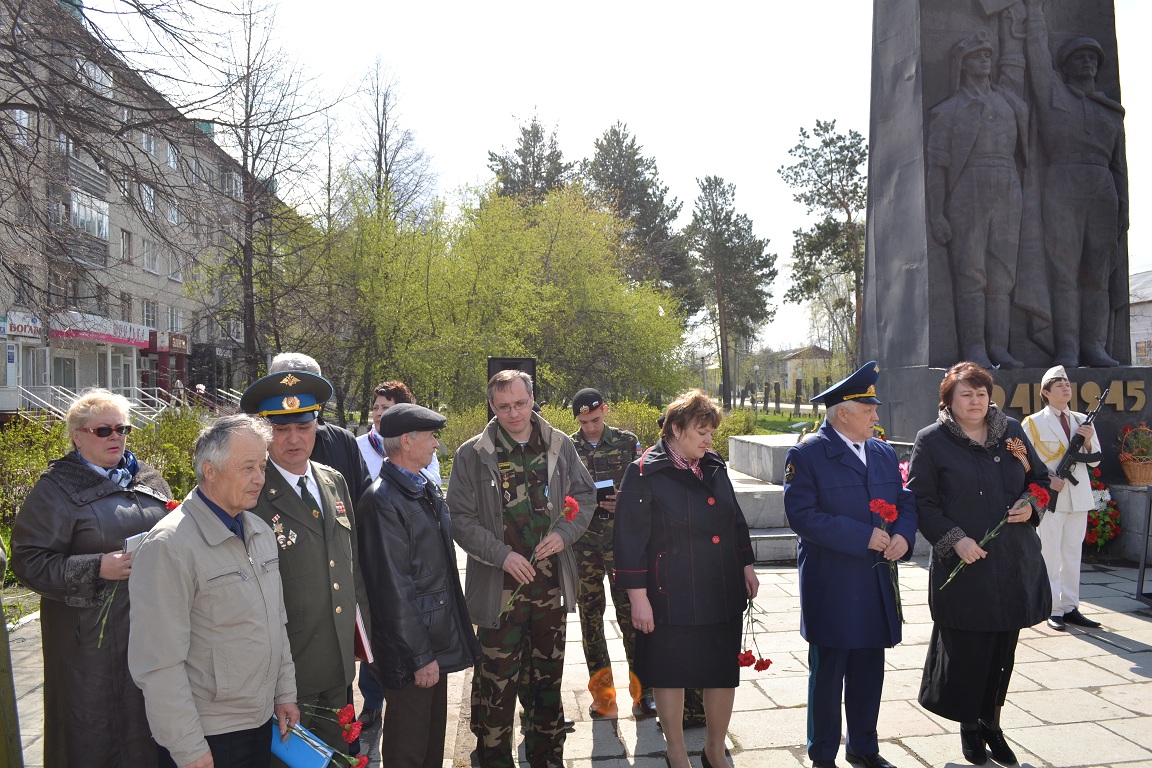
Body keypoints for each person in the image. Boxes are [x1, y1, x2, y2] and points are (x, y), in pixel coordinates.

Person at [10, 388, 174, 767]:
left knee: (153, 729)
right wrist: (96, 567)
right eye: (104, 430)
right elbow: (28, 560)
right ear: (78, 435)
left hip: (151, 625)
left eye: (123, 428)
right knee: (98, 735)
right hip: (89, 644)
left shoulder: (146, 477)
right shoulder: (56, 489)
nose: (116, 436)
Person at [128, 414, 300, 768]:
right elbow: (158, 664)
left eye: (262, 466)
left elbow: (275, 624)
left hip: (259, 722)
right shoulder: (170, 546)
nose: (259, 479)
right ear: (210, 470)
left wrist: (285, 694)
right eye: (247, 467)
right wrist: (188, 748)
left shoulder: (259, 531)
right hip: (208, 736)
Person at [447, 369, 595, 768]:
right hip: (501, 593)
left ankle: (547, 757)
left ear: (533, 399)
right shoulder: (472, 453)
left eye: (520, 404)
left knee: (547, 680)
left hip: (549, 589)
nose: (513, 414)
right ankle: (493, 758)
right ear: (492, 407)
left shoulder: (560, 445)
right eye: (503, 406)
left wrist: (565, 533)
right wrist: (501, 555)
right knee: (496, 684)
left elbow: (584, 496)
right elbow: (460, 519)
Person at [907, 362, 1051, 766]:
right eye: (965, 395)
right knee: (969, 652)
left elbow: (1039, 479)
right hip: (966, 566)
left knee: (1004, 649)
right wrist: (956, 540)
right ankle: (969, 725)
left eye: (981, 393)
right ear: (949, 401)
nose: (975, 401)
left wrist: (1032, 502)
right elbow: (923, 502)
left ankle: (993, 722)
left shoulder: (1012, 433)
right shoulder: (932, 441)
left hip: (1012, 562)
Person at [615, 389, 759, 768]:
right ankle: (676, 752)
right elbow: (629, 539)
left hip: (720, 587)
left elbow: (734, 519)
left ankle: (714, 749)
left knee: (720, 671)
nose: (709, 439)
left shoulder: (713, 464)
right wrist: (638, 597)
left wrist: (746, 563)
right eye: (702, 431)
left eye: (711, 431)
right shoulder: (644, 471)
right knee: (670, 671)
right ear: (676, 429)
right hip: (670, 592)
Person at [783, 362, 917, 768]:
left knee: (868, 669)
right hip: (833, 582)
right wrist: (861, 536)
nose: (877, 416)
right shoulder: (807, 454)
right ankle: (822, 753)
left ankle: (863, 745)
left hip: (874, 579)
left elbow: (904, 501)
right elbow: (803, 516)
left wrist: (902, 536)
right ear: (843, 412)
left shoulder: (880, 451)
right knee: (828, 674)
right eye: (869, 409)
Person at [239, 369, 370, 755]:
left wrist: (366, 640)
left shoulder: (332, 481)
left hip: (337, 663)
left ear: (317, 425)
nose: (294, 439)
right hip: (287, 669)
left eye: (303, 425)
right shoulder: (252, 494)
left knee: (336, 759)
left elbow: (352, 568)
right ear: (263, 433)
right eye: (280, 430)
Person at [357, 402, 481, 768]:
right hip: (413, 651)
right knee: (407, 748)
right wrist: (420, 656)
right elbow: (393, 590)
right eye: (431, 437)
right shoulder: (382, 501)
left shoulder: (420, 486)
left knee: (430, 744)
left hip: (432, 641)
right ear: (407, 441)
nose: (437, 445)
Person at [1025, 0, 1127, 367]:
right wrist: (1034, 11)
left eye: (1092, 59)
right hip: (1062, 184)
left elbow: (1120, 170)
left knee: (1097, 275)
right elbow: (1037, 54)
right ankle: (1067, 347)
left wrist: (1123, 211)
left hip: (1101, 189)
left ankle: (1094, 346)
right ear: (1066, 66)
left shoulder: (1109, 113)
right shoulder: (1053, 92)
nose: (1087, 63)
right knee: (1065, 271)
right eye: (1080, 58)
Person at [926, 27, 1029, 369]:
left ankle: (998, 347)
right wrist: (937, 213)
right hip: (968, 188)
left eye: (988, 54)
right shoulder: (948, 110)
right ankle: (974, 348)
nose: (986, 59)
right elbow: (937, 166)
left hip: (1007, 187)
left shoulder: (1009, 103)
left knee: (1002, 274)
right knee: (971, 272)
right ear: (964, 63)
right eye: (978, 56)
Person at [566, 388, 653, 719]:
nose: (591, 427)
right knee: (590, 621)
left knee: (632, 617)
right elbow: (552, 489)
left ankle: (643, 694)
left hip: (622, 545)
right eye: (584, 422)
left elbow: (647, 487)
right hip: (583, 545)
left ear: (606, 410)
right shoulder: (566, 447)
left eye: (596, 419)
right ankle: (602, 697)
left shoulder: (627, 442)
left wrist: (626, 503)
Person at [1021, 365, 1103, 631]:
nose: (1066, 388)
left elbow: (1095, 459)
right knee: (1050, 553)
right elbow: (1026, 460)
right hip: (1050, 496)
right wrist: (1046, 480)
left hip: (1077, 498)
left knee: (1072, 553)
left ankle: (1070, 606)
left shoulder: (1082, 420)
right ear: (1046, 392)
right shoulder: (1033, 422)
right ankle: (1052, 608)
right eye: (1059, 385)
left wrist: (1088, 441)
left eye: (1067, 383)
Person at [356, 380, 443, 485]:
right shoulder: (357, 446)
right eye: (375, 408)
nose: (378, 413)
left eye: (385, 408)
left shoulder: (420, 444)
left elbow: (435, 483)